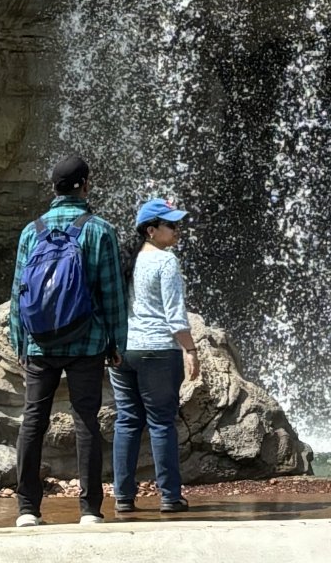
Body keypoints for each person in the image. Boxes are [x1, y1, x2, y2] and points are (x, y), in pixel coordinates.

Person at [8, 152, 128, 529]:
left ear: (53, 188)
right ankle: (90, 510)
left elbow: (18, 292)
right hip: (87, 342)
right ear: (86, 185)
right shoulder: (99, 230)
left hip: (41, 343)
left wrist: (20, 342)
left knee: (32, 421)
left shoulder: (32, 231)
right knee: (85, 421)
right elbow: (113, 294)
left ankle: (27, 509)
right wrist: (116, 343)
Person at [111, 198, 200, 516]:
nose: (177, 230)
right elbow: (175, 316)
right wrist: (190, 349)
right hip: (158, 351)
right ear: (151, 230)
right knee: (162, 423)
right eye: (171, 225)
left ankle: (122, 497)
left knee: (127, 421)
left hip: (124, 351)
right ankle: (170, 497)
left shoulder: (126, 260)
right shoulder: (165, 261)